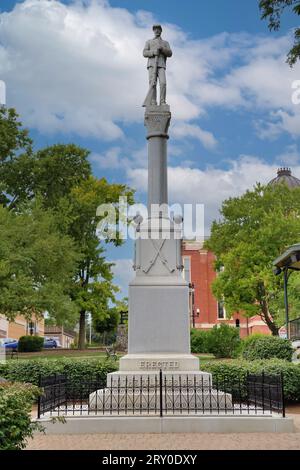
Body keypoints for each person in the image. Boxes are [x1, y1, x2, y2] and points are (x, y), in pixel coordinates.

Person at [143, 24, 172, 106]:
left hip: (161, 65)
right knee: (152, 83)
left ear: (161, 30)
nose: (156, 31)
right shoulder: (149, 42)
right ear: (153, 31)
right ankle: (153, 101)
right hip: (152, 65)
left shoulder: (165, 43)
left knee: (163, 83)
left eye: (158, 29)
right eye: (155, 29)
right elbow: (144, 53)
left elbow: (170, 53)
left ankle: (162, 101)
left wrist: (162, 49)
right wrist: (153, 52)